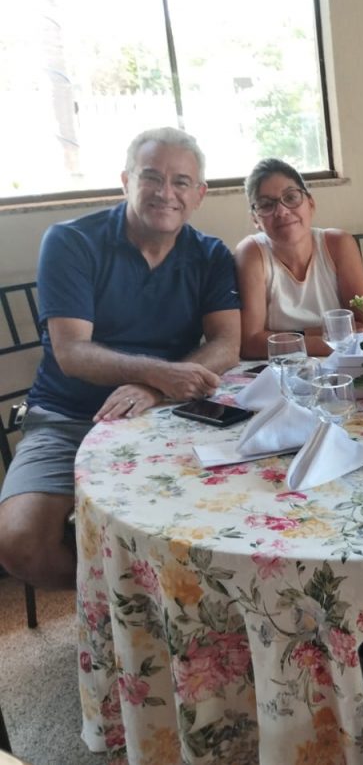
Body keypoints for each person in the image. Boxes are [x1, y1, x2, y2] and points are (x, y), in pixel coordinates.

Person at [0, 127, 240, 590]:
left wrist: (155, 388)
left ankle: (180, 601)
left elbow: (227, 343)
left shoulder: (210, 255)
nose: (165, 192)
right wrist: (158, 373)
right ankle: (134, 599)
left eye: (181, 181)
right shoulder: (71, 242)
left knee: (232, 506)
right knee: (19, 542)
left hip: (172, 412)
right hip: (68, 418)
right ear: (126, 180)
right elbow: (71, 353)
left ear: (199, 194)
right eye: (151, 177)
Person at [235, 158, 363, 358]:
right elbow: (250, 343)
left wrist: (286, 337)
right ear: (255, 219)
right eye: (266, 205)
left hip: (344, 366)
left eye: (291, 197)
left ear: (310, 204)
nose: (282, 211)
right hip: (281, 369)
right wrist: (331, 339)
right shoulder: (251, 253)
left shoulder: (338, 244)